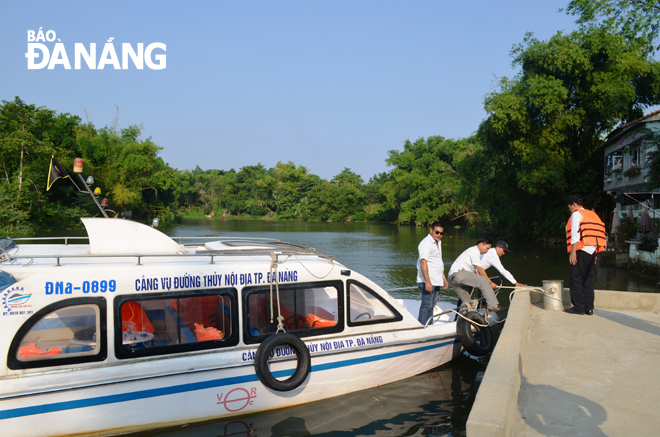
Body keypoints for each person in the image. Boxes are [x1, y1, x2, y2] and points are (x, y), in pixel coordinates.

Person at [565, 194, 607, 315]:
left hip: (581, 250)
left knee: (576, 279)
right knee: (588, 280)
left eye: (569, 207)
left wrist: (573, 253)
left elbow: (575, 236)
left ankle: (578, 307)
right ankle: (589, 308)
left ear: (573, 204)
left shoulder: (576, 214)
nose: (570, 210)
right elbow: (597, 234)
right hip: (592, 251)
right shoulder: (593, 214)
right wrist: (595, 254)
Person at [447, 237, 502, 312]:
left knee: (467, 303)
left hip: (451, 279)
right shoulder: (474, 250)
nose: (487, 251)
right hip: (458, 274)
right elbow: (480, 269)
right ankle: (493, 306)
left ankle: (461, 320)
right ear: (481, 244)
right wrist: (490, 283)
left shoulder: (473, 252)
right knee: (483, 280)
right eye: (487, 248)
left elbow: (477, 272)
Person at [416, 222, 449, 325]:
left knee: (432, 305)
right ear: (431, 230)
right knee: (426, 305)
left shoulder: (438, 242)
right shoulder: (426, 243)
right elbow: (423, 262)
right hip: (428, 280)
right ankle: (422, 327)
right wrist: (427, 281)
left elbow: (437, 261)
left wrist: (443, 277)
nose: (439, 234)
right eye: (437, 232)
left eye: (441, 233)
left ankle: (429, 325)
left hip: (436, 280)